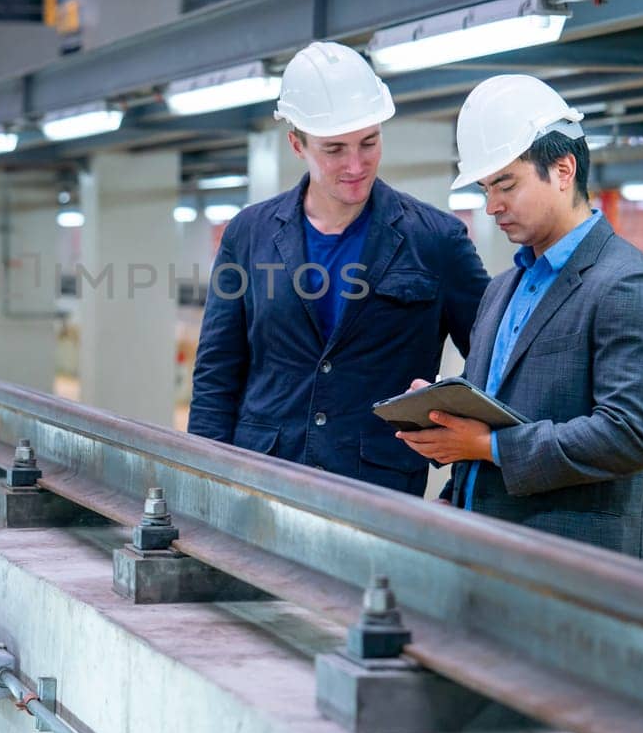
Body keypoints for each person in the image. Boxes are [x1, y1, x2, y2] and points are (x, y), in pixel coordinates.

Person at [188, 41, 489, 496]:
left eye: (369, 142)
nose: (355, 164)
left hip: (379, 491)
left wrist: (460, 490)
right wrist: (201, 486)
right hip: (261, 481)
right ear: (297, 144)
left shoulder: (436, 240)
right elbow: (217, 372)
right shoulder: (247, 235)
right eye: (334, 149)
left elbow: (493, 367)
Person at [398, 74, 643, 558]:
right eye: (486, 188)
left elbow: (630, 435)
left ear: (564, 169)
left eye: (506, 184)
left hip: (571, 566)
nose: (491, 206)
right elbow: (495, 400)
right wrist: (445, 413)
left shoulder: (626, 285)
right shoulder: (503, 288)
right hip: (481, 548)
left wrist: (489, 447)